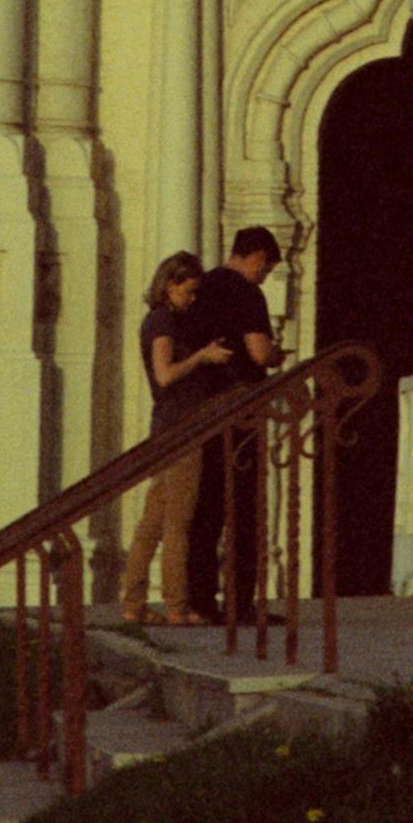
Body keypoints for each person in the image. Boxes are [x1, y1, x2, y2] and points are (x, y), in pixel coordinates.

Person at [118, 253, 228, 626]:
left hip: (167, 425)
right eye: (189, 291)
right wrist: (202, 357)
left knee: (154, 519)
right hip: (181, 427)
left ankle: (133, 602)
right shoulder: (163, 321)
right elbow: (165, 375)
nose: (193, 299)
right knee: (179, 521)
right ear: (170, 284)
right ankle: (177, 605)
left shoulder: (161, 319)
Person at [184, 226, 282, 627]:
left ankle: (201, 601)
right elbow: (258, 353)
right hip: (240, 409)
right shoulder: (246, 293)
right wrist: (275, 355)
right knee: (243, 507)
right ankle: (241, 603)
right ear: (257, 256)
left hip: (203, 407)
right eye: (268, 268)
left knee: (206, 507)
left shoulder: (201, 287)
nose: (265, 276)